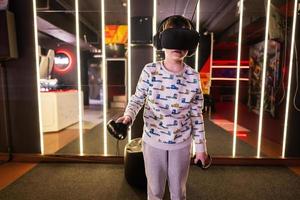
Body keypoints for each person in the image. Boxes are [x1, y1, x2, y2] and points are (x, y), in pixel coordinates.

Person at [117, 15, 208, 200]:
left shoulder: (193, 77)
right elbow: (137, 99)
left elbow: (196, 114)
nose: (178, 44)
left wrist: (200, 147)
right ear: (160, 41)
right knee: (155, 190)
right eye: (172, 36)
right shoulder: (150, 71)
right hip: (153, 141)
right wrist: (127, 117)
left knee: (178, 191)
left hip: (181, 143)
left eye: (184, 38)